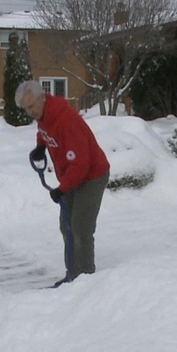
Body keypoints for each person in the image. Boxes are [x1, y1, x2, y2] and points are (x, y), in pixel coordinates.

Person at [16, 80, 110, 287]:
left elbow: (81, 163)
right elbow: (44, 131)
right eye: (26, 108)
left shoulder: (67, 120)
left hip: (92, 176)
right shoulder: (44, 115)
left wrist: (62, 189)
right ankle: (73, 274)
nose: (30, 112)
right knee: (66, 226)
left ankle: (86, 280)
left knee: (80, 228)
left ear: (43, 98)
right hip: (73, 176)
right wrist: (41, 146)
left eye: (32, 106)